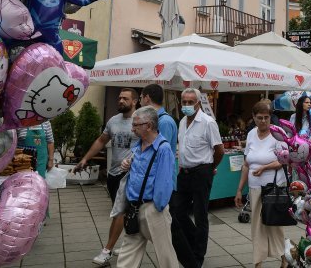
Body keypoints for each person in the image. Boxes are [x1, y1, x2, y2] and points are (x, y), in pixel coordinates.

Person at [76, 88, 139, 267]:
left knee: (119, 212)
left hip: (129, 174)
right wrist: (85, 158)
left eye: (125, 98)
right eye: (119, 98)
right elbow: (101, 141)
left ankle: (107, 251)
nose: (120, 100)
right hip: (113, 173)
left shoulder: (140, 121)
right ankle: (130, 243)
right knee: (122, 211)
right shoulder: (113, 120)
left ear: (134, 101)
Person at [116, 107, 177, 268]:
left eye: (136, 125)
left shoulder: (163, 149)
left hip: (153, 209)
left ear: (149, 126)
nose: (132, 128)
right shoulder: (138, 145)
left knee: (166, 257)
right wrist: (127, 165)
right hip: (134, 208)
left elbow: (164, 183)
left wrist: (157, 207)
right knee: (126, 256)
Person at [173, 87, 224, 268]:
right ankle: (194, 240)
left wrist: (210, 168)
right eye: (184, 102)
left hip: (201, 173)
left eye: (190, 102)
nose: (186, 105)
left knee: (201, 215)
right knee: (177, 212)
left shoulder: (208, 122)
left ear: (198, 103)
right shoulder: (182, 122)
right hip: (184, 173)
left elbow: (219, 150)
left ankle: (198, 255)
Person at [234, 101, 286, 268]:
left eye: (266, 117)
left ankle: (285, 258)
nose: (263, 121)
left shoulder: (278, 134)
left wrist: (265, 167)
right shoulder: (250, 135)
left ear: (271, 117)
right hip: (255, 187)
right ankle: (258, 261)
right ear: (253, 118)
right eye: (259, 118)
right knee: (257, 226)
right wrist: (239, 190)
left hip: (274, 186)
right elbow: (246, 164)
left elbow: (283, 160)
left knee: (274, 225)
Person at [139, 84, 179, 186]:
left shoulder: (164, 122)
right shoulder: (156, 119)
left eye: (140, 98)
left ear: (147, 98)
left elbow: (161, 153)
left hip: (162, 181)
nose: (140, 102)